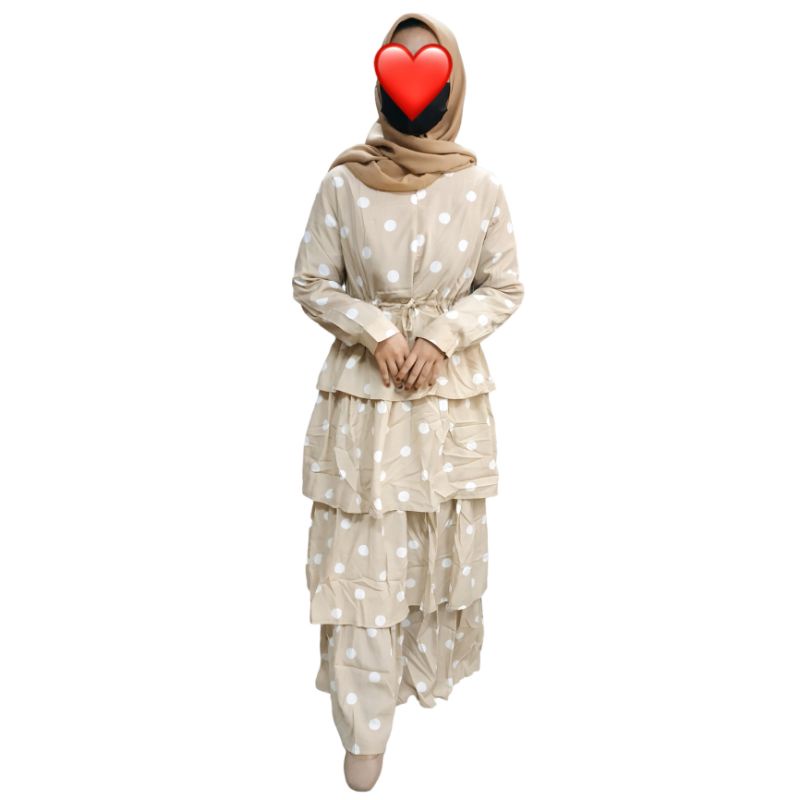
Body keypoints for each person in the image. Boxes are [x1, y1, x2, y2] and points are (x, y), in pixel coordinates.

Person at [292, 11, 524, 791]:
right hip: (367, 401)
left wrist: (444, 336)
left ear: (452, 85)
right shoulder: (344, 182)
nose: (415, 90)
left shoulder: (480, 186)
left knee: (432, 550)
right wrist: (377, 329)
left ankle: (419, 677)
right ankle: (364, 724)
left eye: (432, 72)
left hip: (447, 402)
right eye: (401, 67)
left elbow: (505, 285)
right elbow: (311, 279)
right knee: (361, 556)